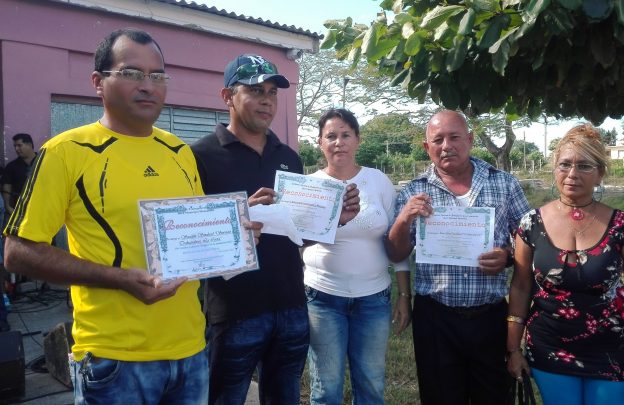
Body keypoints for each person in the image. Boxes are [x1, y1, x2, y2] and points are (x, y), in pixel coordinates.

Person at [3, 28, 212, 404]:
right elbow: (17, 252)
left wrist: (237, 233)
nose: (148, 85)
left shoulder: (179, 151)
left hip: (191, 351)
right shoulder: (66, 152)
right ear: (98, 82)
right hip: (115, 360)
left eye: (158, 75)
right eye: (132, 73)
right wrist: (119, 279)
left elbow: (191, 234)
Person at [192, 55, 360, 404]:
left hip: (291, 305)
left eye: (272, 92)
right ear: (227, 96)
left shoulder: (288, 157)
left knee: (285, 397)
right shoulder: (198, 156)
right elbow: (193, 241)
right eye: (255, 90)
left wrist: (333, 220)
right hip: (234, 310)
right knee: (224, 397)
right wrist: (239, 218)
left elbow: (296, 234)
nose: (267, 100)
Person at [385, 110, 530, 404]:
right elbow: (395, 252)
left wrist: (508, 256)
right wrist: (403, 219)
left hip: (490, 316)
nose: (446, 145)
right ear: (427, 147)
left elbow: (530, 240)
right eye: (437, 140)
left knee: (493, 396)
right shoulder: (415, 191)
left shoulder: (504, 184)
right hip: (436, 317)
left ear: (470, 139)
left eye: (454, 137)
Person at [506, 124, 624, 405]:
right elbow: (521, 285)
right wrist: (513, 348)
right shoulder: (530, 224)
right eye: (565, 164)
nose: (572, 174)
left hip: (613, 350)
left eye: (584, 166)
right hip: (550, 348)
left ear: (600, 173)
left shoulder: (622, 226)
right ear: (554, 168)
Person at [303, 108, 411, 404]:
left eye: (346, 135)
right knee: (326, 387)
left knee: (372, 385)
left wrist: (404, 295)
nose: (339, 142)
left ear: (358, 140)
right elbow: (294, 241)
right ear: (320, 142)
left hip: (373, 299)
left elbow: (396, 240)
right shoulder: (308, 186)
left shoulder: (378, 181)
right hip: (322, 298)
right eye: (331, 136)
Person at [1, 133, 37, 220]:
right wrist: (7, 206)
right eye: (15, 146)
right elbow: (6, 187)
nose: (16, 149)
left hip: (40, 207)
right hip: (17, 209)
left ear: (29, 145)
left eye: (19, 145)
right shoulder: (12, 166)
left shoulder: (43, 162)